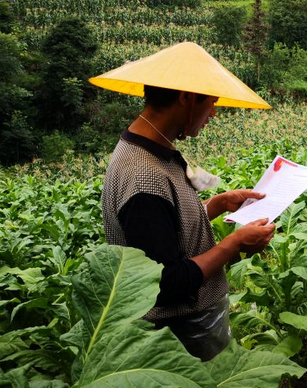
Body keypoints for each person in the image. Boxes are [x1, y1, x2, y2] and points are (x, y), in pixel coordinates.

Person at [92, 42, 275, 361]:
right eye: (212, 102)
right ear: (187, 97)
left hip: (190, 326)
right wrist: (233, 245)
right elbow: (167, 282)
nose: (214, 113)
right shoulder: (142, 176)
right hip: (180, 334)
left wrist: (216, 204)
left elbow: (162, 232)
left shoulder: (151, 148)